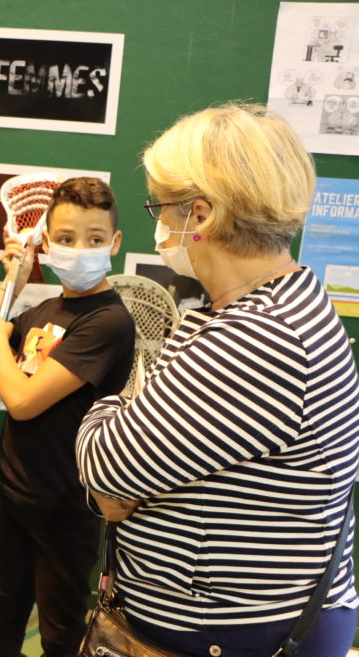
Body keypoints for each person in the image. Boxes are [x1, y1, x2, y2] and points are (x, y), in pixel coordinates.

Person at [77, 103, 359, 657]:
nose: (156, 223)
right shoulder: (252, 308)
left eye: (159, 205)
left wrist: (106, 413)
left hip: (233, 632)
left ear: (200, 216)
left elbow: (106, 460)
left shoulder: (259, 336)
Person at [0, 177, 135, 657]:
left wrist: (0, 339)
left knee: (60, 630)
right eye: (65, 238)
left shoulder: (108, 321)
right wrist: (13, 281)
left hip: (64, 502)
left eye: (95, 239)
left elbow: (21, 400)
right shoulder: (45, 308)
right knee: (5, 607)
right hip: (8, 487)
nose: (80, 249)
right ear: (46, 243)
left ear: (115, 244)